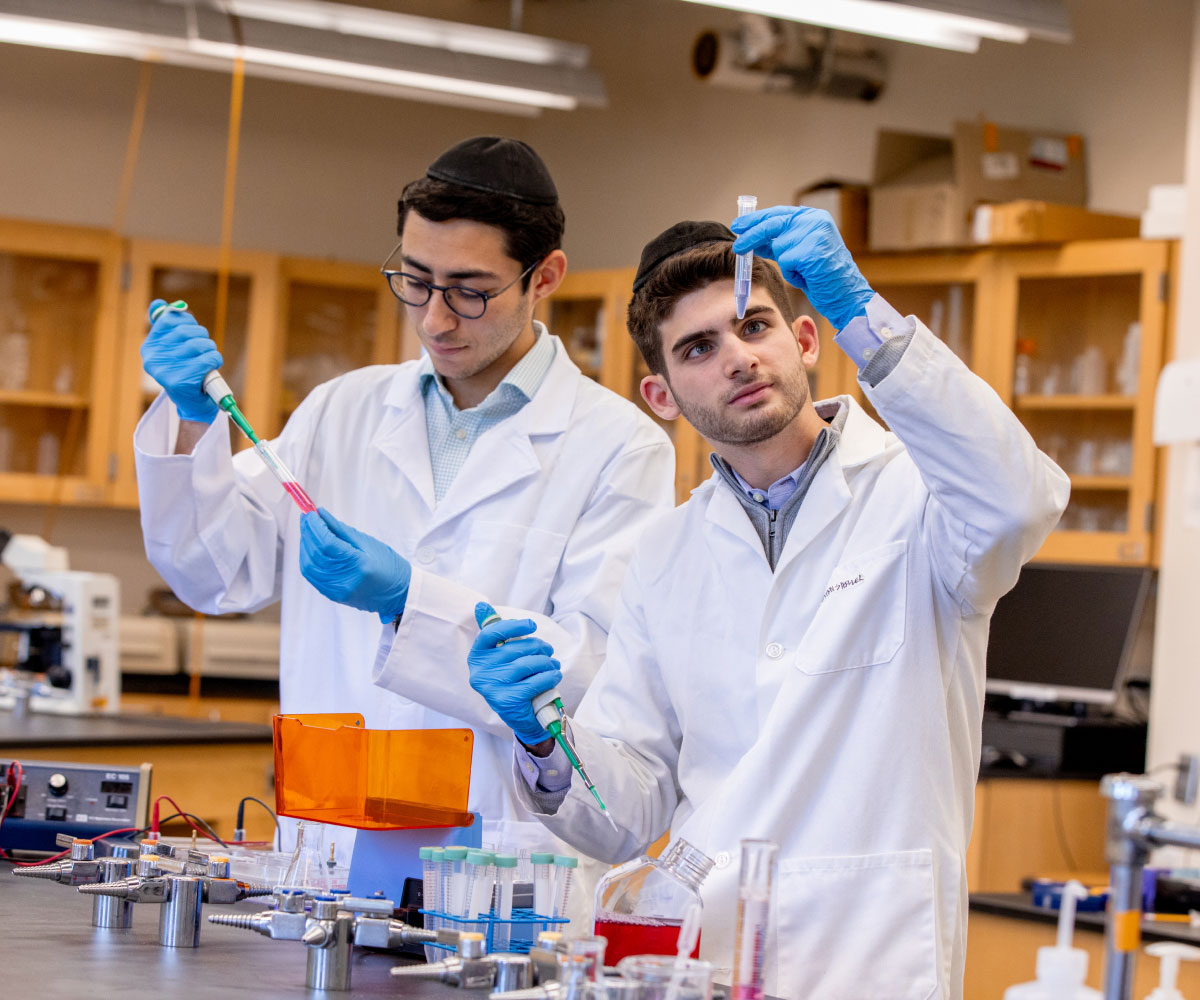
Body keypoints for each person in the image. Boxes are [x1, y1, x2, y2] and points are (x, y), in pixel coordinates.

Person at [466, 207, 1070, 997]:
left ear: (809, 341)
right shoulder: (661, 556)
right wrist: (543, 740)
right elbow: (631, 809)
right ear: (663, 394)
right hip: (705, 947)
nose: (739, 359)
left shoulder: (920, 501)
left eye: (755, 326)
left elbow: (1019, 502)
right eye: (699, 348)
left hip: (871, 949)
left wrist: (866, 317)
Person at [133, 136, 676, 875]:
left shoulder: (620, 446)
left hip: (494, 861)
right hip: (329, 851)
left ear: (544, 277)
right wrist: (192, 415)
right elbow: (216, 573)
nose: (435, 320)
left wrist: (410, 601)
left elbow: (594, 669)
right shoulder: (342, 409)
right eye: (415, 280)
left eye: (470, 290)